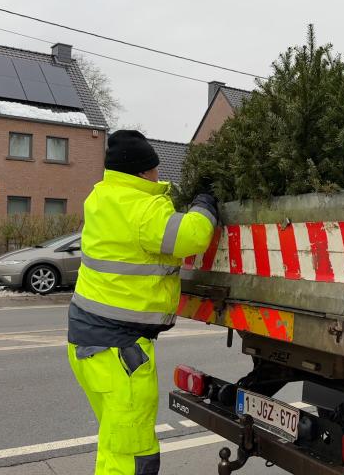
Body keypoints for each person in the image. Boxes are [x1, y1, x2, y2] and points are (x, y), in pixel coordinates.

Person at [67, 130, 218, 474]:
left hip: (89, 344)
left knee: (114, 443)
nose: (158, 175)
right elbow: (191, 236)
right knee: (135, 456)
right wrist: (205, 203)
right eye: (154, 169)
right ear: (140, 172)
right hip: (120, 351)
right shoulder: (140, 208)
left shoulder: (102, 197)